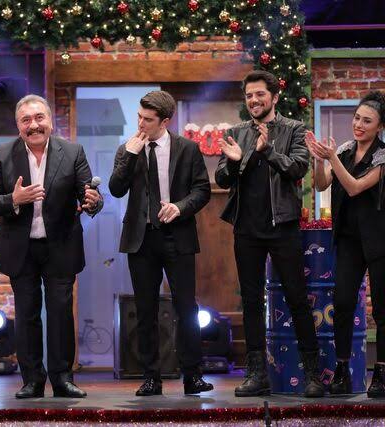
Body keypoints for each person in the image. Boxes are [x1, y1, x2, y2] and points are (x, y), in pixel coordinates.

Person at [0, 94, 102, 399]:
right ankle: (32, 381)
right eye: (26, 120)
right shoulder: (3, 154)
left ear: (50, 121)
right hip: (20, 249)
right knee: (27, 315)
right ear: (18, 126)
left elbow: (89, 195)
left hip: (60, 245)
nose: (33, 125)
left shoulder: (72, 152)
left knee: (61, 313)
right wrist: (14, 199)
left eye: (39, 118)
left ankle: (63, 379)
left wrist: (93, 202)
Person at [215, 70, 324, 398]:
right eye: (249, 95)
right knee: (251, 302)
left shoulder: (294, 129)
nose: (254, 100)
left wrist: (267, 151)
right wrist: (234, 162)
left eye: (260, 94)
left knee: (297, 298)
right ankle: (257, 373)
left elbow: (298, 168)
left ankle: (313, 374)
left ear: (274, 97)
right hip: (247, 228)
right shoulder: (236, 132)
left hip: (283, 226)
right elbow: (222, 178)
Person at [109, 90, 213, 396]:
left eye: (148, 119)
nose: (141, 124)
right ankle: (151, 377)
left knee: (186, 308)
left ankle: (192, 376)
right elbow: (115, 189)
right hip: (141, 239)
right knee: (145, 310)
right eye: (139, 117)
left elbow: (202, 190)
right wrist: (130, 155)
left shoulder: (187, 148)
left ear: (165, 121)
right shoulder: (128, 148)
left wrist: (180, 207)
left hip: (176, 234)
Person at [305, 91, 385, 397]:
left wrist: (332, 158)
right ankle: (342, 371)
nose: (359, 125)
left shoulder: (382, 157)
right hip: (349, 239)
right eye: (357, 118)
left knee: (382, 308)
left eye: (367, 121)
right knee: (342, 303)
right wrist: (318, 159)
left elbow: (354, 187)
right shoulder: (346, 149)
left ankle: (380, 374)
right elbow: (321, 184)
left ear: (380, 127)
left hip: (378, 239)